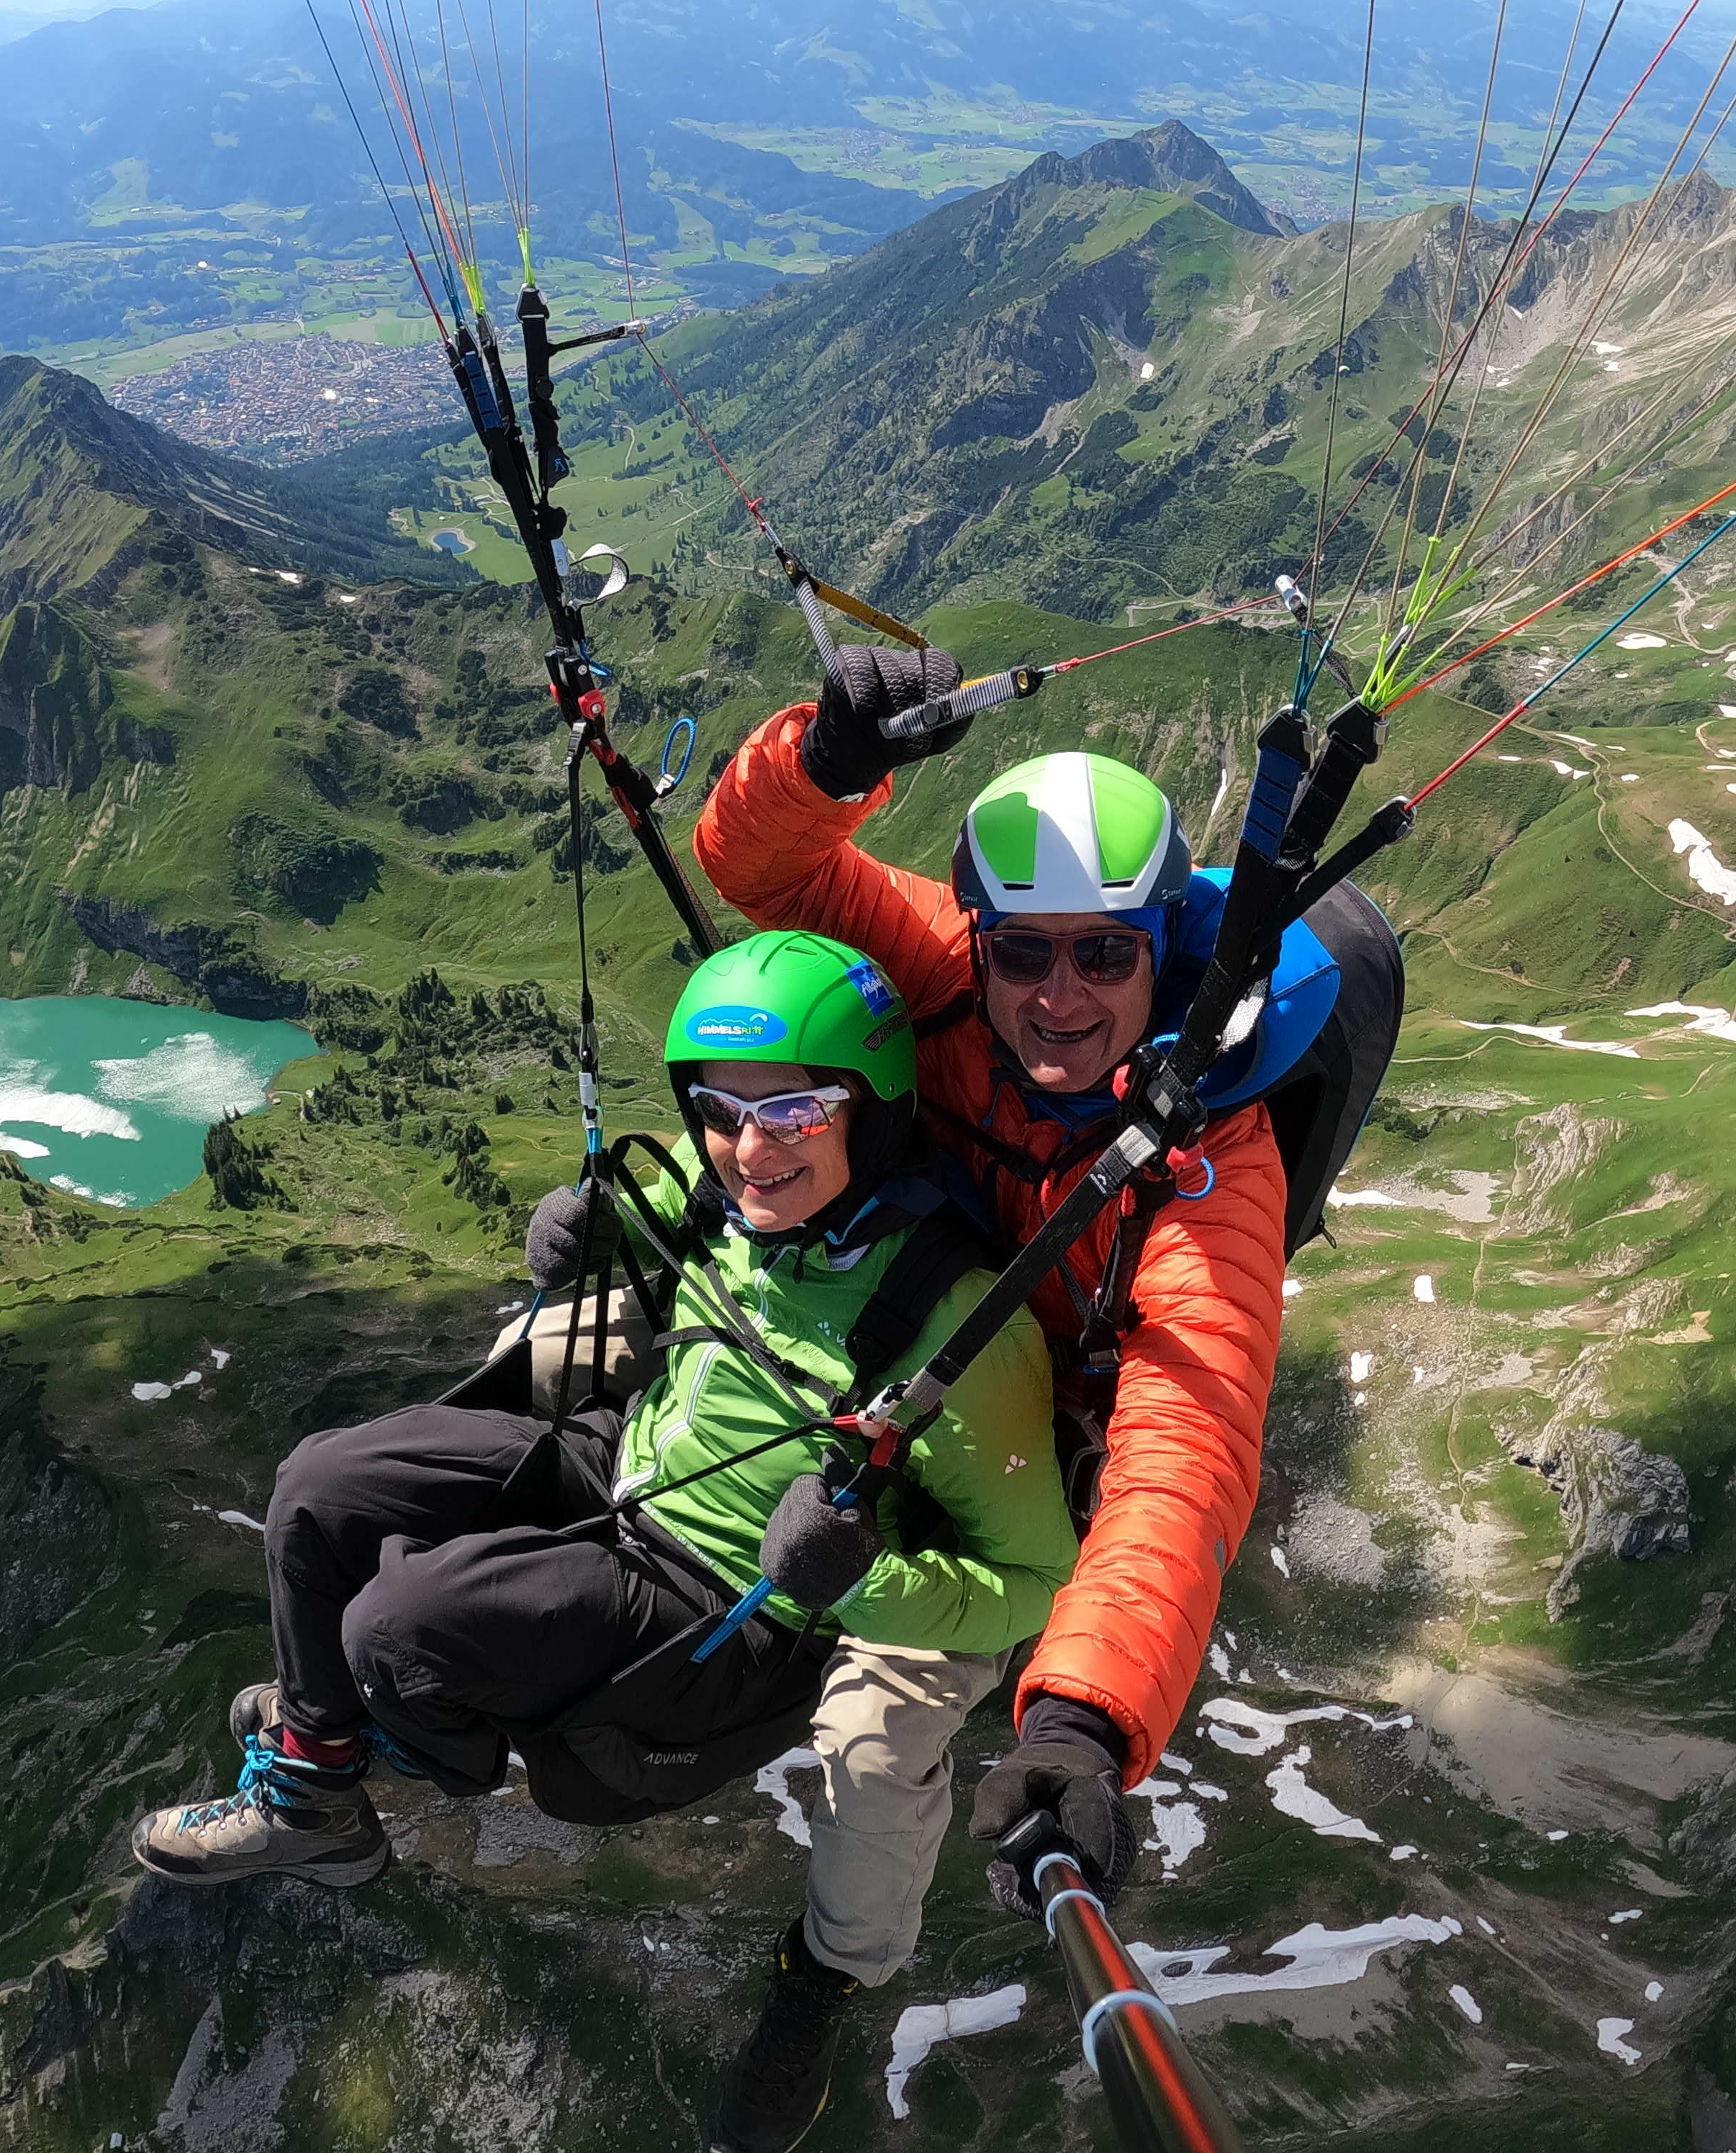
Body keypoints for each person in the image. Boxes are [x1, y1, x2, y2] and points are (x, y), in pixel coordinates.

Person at [132, 931, 1076, 2144]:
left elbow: (1033, 1583)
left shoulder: (958, 1327)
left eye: (794, 1108)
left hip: (731, 1603)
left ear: (873, 1110)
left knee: (396, 1625)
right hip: (619, 1465)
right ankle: (317, 1787)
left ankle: (811, 1981)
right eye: (721, 1111)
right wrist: (584, 1253)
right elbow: (680, 1276)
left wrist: (863, 1581)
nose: (750, 1146)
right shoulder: (723, 1193)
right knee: (319, 1487)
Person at [689, 651, 1297, 1973]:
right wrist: (825, 761)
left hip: (1012, 1470)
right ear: (980, 939)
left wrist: (1082, 1719)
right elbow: (765, 870)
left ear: (1165, 953)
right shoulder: (942, 972)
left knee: (873, 1742)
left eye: (1105, 956)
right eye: (1025, 951)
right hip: (876, 1339)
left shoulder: (1213, 1165)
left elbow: (1183, 1450)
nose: (1059, 996)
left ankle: (829, 1975)